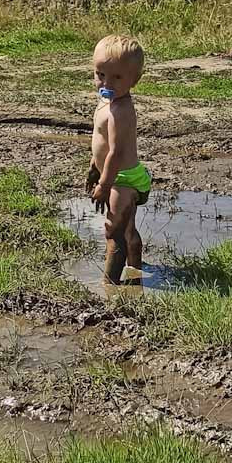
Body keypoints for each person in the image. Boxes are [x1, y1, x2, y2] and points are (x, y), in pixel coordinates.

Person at [85, 35, 151, 285]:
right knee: (126, 228)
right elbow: (99, 141)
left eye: (117, 78)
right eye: (101, 75)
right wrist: (94, 165)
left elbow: (115, 152)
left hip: (122, 178)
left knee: (113, 230)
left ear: (135, 79)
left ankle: (109, 284)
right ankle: (135, 271)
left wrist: (103, 184)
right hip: (113, 174)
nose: (107, 83)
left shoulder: (121, 110)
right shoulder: (106, 101)